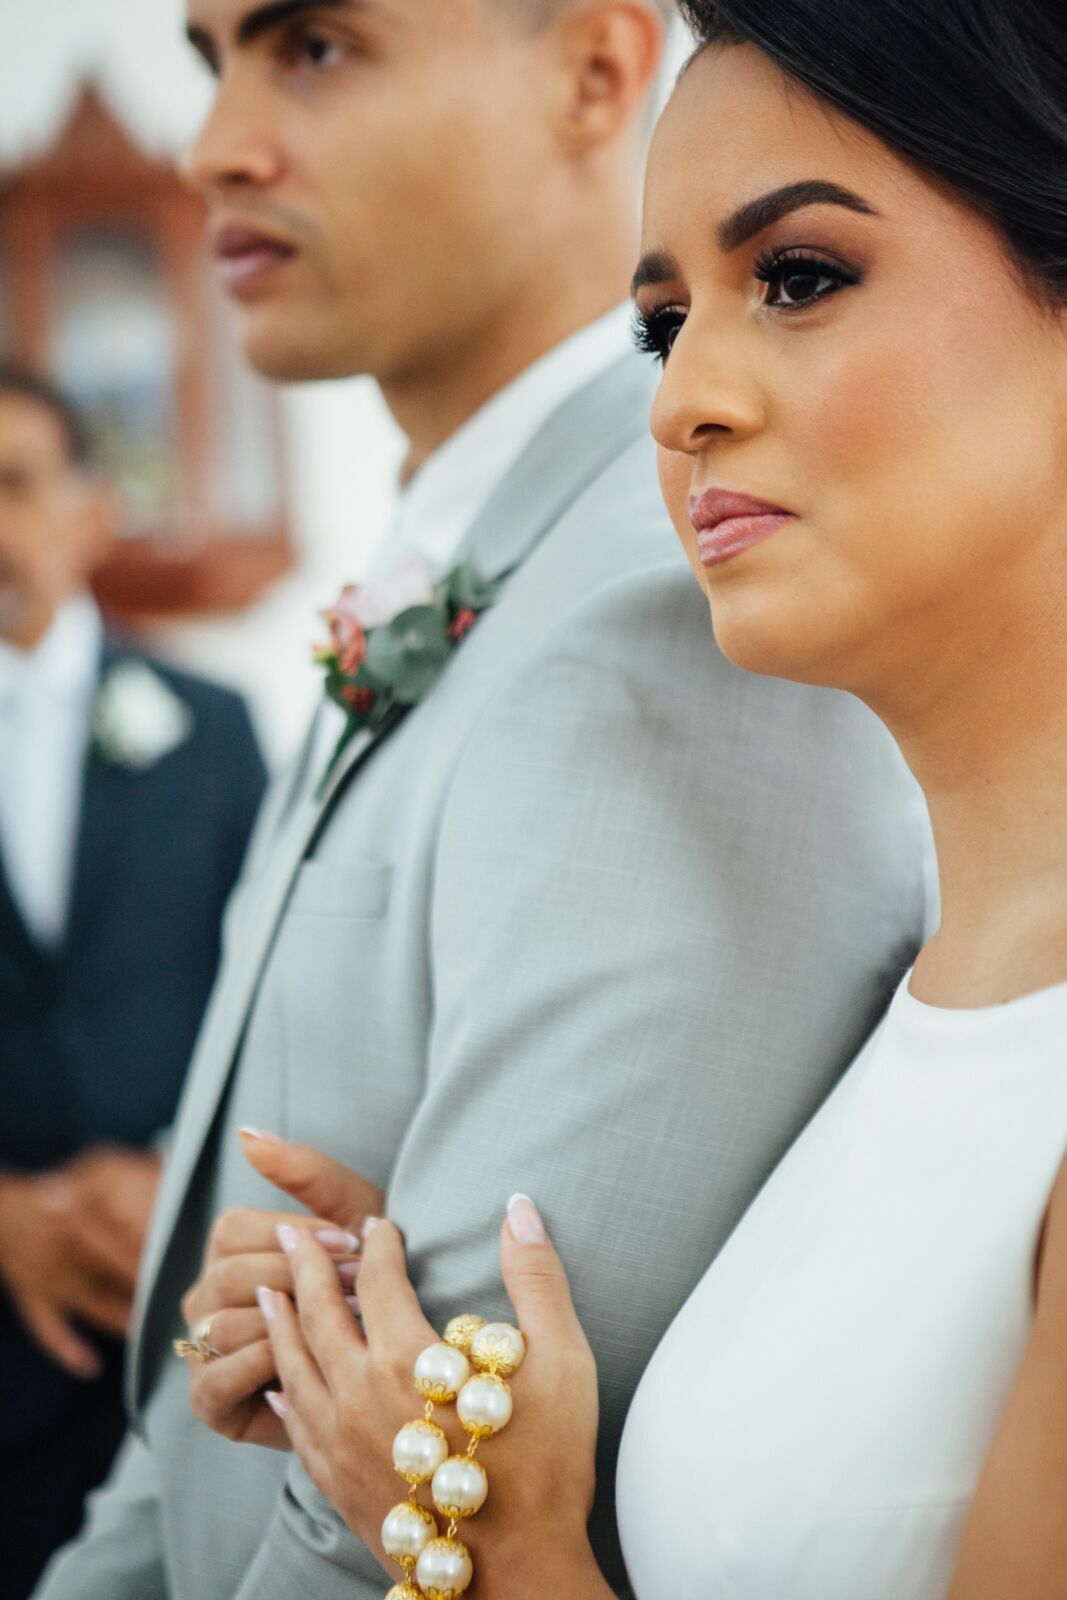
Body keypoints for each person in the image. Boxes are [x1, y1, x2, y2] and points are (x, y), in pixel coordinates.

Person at [35, 3, 930, 1598]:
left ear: (594, 72)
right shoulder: (445, 570)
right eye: (209, 58)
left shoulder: (680, 607)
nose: (213, 144)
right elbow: (189, 1445)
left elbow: (438, 1498)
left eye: (311, 46)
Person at [236, 1, 1067, 1597]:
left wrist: (492, 1549)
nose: (678, 400)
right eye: (663, 319)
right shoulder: (909, 1013)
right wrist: (392, 1340)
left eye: (799, 279)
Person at [0, 366, 266, 1597]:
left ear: (88, 509)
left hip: (172, 1316)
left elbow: (266, 995)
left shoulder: (212, 728)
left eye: (13, 485)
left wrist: (174, 1172)